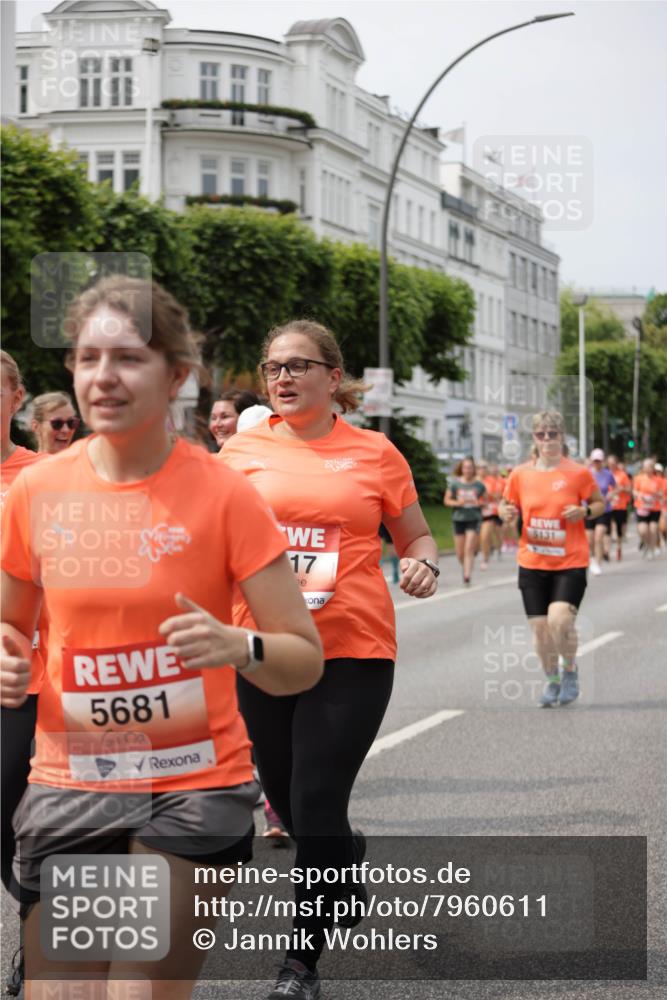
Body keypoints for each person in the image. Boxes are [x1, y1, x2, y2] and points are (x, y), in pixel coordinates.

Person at [0, 278, 323, 999]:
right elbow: (9, 626)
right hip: (72, 778)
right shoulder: (38, 492)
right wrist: (7, 659)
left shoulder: (224, 494)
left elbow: (301, 659)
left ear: (176, 374)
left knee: (138, 990)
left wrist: (240, 648)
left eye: (128, 358)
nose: (103, 377)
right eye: (87, 358)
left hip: (194, 783)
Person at [221, 318, 439, 1000]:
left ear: (332, 376)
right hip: (262, 649)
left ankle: (298, 965)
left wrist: (422, 564)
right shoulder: (237, 451)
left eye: (298, 365)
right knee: (283, 796)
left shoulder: (375, 454)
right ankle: (344, 857)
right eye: (272, 367)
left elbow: (416, 534)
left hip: (351, 647)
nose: (282, 377)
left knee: (315, 800)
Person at [0, 352, 49, 997]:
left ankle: (36, 944)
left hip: (24, 676)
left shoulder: (44, 475)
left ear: (16, 396)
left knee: (24, 817)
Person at [500, 410, 604, 708]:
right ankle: (552, 680)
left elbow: (599, 504)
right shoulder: (521, 474)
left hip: (570, 561)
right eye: (541, 434)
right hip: (532, 562)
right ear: (534, 438)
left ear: (562, 436)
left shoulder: (578, 473)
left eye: (552, 434)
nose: (547, 439)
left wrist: (584, 512)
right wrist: (505, 513)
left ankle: (570, 669)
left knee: (560, 620)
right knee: (540, 629)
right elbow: (506, 506)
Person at [444, 457, 486, 584]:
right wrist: (458, 502)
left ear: (473, 469)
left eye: (470, 467)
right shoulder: (455, 484)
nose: (467, 470)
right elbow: (446, 501)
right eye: (465, 467)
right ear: (461, 469)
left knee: (469, 548)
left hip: (473, 518)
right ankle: (466, 566)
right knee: (460, 552)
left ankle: (467, 575)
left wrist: (478, 503)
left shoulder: (479, 485)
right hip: (459, 519)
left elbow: (485, 501)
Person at [585, 448, 615, 575]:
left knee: (599, 537)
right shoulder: (586, 473)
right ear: (592, 461)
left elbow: (615, 488)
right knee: (589, 539)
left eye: (599, 461)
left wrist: (609, 495)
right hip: (589, 509)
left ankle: (598, 563)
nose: (597, 463)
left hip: (604, 509)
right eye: (595, 461)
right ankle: (591, 559)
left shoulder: (607, 474)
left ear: (602, 461)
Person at [633, 457, 663, 558]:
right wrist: (640, 495)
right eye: (646, 467)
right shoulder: (639, 478)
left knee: (653, 528)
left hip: (655, 508)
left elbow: (662, 493)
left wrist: (656, 495)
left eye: (650, 467)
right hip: (642, 508)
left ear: (653, 468)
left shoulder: (658, 480)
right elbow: (634, 491)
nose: (648, 469)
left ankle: (652, 548)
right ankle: (647, 543)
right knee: (643, 530)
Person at [480, 461, 504, 569]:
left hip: (496, 510)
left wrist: (497, 497)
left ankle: (498, 549)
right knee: (485, 534)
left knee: (498, 532)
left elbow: (500, 495)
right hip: (485, 511)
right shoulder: (483, 480)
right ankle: (486, 556)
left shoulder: (499, 481)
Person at [607, 455, 632, 561]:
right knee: (608, 527)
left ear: (616, 463)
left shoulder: (622, 475)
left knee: (619, 530)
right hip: (608, 505)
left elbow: (629, 489)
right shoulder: (605, 474)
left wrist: (622, 489)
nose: (611, 465)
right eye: (609, 463)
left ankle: (618, 548)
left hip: (620, 505)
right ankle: (607, 551)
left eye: (613, 463)